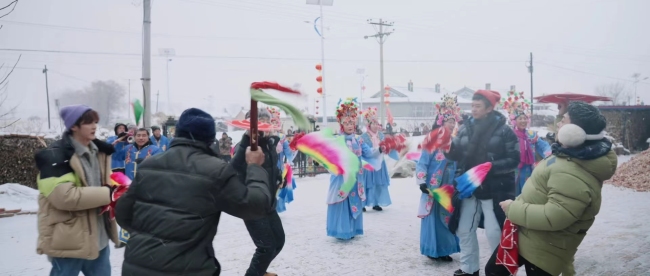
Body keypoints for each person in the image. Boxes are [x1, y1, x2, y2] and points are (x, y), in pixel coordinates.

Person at [116, 108, 274, 276]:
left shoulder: (149, 165)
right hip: (186, 268)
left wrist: (151, 236)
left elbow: (123, 213)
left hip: (137, 265)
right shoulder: (215, 170)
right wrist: (255, 167)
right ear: (209, 138)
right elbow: (255, 206)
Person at [485, 101, 618, 276]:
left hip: (544, 247)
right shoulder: (569, 154)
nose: (558, 125)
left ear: (575, 133)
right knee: (494, 270)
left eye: (563, 121)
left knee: (495, 271)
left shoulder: (573, 171)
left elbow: (554, 216)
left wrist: (513, 208)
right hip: (529, 234)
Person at [34, 104, 119, 276]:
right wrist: (110, 193)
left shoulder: (100, 152)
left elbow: (107, 182)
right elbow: (65, 197)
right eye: (88, 122)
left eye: (95, 121)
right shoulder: (54, 156)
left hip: (99, 239)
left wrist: (120, 187)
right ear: (73, 126)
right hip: (68, 241)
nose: (94, 126)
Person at [445, 90, 520, 276]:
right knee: (464, 229)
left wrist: (491, 167)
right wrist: (446, 147)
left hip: (494, 189)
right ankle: (469, 268)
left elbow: (514, 159)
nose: (473, 109)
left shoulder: (504, 131)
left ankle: (500, 270)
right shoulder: (464, 128)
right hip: (469, 188)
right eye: (472, 105)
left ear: (489, 108)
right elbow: (456, 154)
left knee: (495, 231)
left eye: (478, 106)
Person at [231, 108, 284, 276]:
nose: (262, 127)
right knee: (266, 247)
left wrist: (278, 177)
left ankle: (259, 270)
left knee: (279, 241)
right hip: (252, 203)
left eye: (264, 122)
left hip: (268, 201)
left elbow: (273, 167)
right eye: (257, 123)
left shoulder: (269, 143)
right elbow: (232, 168)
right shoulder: (245, 145)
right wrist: (247, 138)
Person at [415, 94, 461, 262]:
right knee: (433, 218)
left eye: (454, 121)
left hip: (449, 186)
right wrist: (421, 181)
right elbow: (423, 162)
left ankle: (445, 249)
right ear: (442, 121)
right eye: (449, 120)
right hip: (434, 186)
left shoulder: (455, 141)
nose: (452, 124)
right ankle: (433, 249)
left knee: (447, 216)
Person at [326, 98, 381, 240]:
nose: (350, 125)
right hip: (341, 179)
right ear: (341, 124)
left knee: (354, 201)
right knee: (343, 202)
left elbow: (369, 153)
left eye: (352, 122)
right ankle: (342, 230)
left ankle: (353, 229)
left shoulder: (359, 140)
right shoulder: (337, 141)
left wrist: (380, 149)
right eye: (347, 123)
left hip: (356, 178)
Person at [500, 92, 552, 195]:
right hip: (512, 169)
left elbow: (543, 145)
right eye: (520, 118)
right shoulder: (508, 134)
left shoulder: (531, 134)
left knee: (526, 192)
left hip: (528, 168)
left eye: (525, 118)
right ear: (514, 121)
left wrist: (548, 153)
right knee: (512, 193)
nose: (523, 121)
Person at [360, 107, 392, 212]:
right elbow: (365, 150)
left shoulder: (382, 135)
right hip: (368, 163)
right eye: (373, 124)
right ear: (369, 125)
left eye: (376, 123)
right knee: (366, 183)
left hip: (380, 162)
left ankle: (376, 202)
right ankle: (362, 203)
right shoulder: (364, 136)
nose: (375, 126)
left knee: (378, 183)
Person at [267, 107, 297, 213]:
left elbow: (289, 153)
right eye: (272, 121)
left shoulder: (282, 137)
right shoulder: (264, 136)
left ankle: (274, 209)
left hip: (278, 168)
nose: (274, 124)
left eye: (276, 121)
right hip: (266, 168)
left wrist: (295, 146)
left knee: (277, 190)